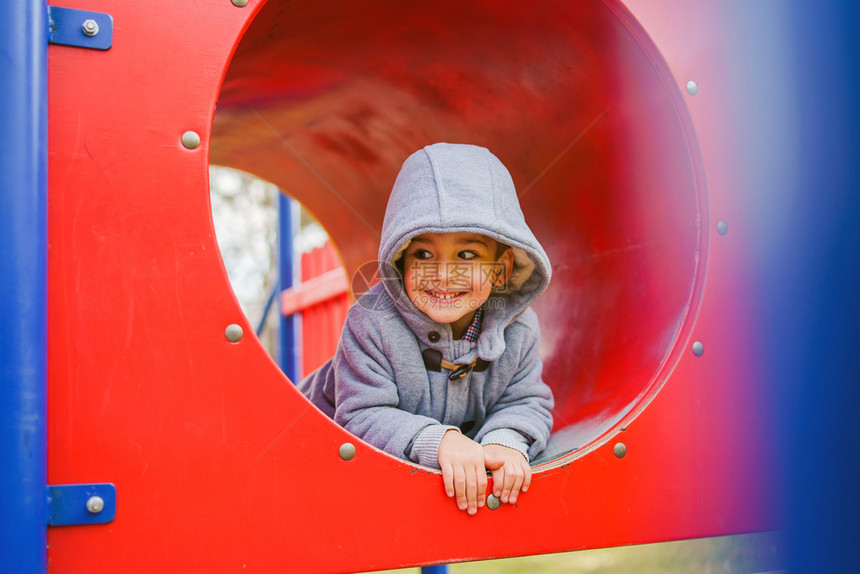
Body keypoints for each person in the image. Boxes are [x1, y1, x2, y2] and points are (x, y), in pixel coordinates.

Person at [298, 142, 553, 515]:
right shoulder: (373, 322)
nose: (444, 275)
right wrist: (439, 441)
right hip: (308, 445)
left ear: (502, 265)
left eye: (467, 255)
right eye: (423, 254)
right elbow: (360, 415)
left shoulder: (518, 330)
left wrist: (504, 440)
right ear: (400, 259)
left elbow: (526, 401)